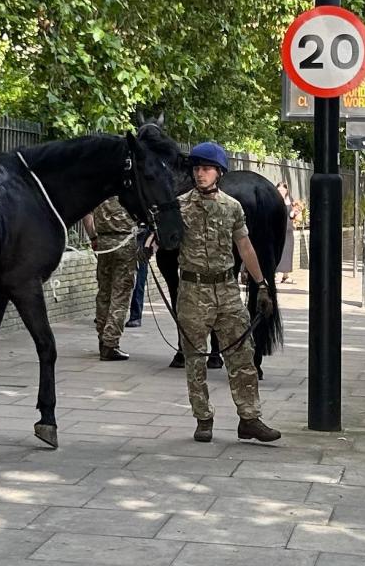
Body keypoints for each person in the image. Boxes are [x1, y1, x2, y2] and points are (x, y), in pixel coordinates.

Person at [174, 141, 280, 443]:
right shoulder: (180, 206)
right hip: (193, 290)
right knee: (195, 358)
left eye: (206, 168)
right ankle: (203, 418)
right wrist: (148, 243)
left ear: (219, 172)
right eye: (196, 169)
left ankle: (250, 418)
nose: (200, 174)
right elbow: (164, 240)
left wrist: (261, 285)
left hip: (228, 290)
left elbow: (245, 247)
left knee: (242, 355)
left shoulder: (232, 207)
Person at [82, 197, 137, 360]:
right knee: (120, 294)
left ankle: (102, 338)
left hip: (103, 242)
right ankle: (110, 344)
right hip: (125, 241)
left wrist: (93, 237)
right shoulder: (128, 187)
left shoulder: (101, 186)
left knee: (104, 293)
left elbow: (86, 214)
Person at [125, 226, 150, 328]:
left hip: (140, 238)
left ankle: (136, 316)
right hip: (120, 238)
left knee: (139, 279)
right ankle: (106, 313)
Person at [275, 181, 298, 284]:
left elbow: (291, 214)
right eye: (279, 190)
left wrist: (294, 214)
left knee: (288, 251)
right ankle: (278, 274)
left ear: (286, 190)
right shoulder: (275, 200)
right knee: (281, 251)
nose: (281, 192)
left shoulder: (290, 200)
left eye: (283, 190)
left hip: (289, 229)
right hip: (279, 228)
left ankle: (286, 275)